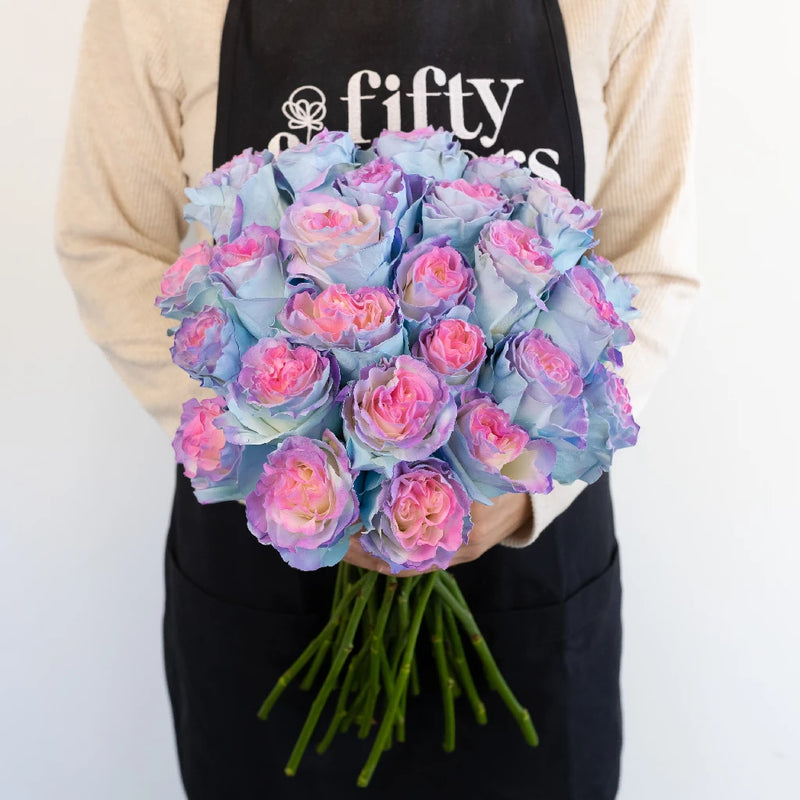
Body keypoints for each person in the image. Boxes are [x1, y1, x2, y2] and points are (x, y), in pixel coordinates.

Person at [55, 1, 699, 797]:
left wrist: (522, 483)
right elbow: (109, 241)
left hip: (527, 558)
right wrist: (282, 461)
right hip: (265, 566)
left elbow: (651, 265)